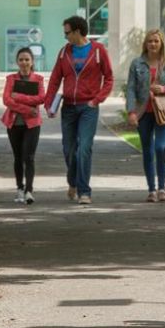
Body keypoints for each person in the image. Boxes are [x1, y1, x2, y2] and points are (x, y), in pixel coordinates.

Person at [44, 16, 113, 205]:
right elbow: (55, 79)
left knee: (84, 148)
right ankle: (72, 182)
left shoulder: (98, 51)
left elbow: (108, 79)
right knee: (68, 149)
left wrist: (97, 100)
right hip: (68, 108)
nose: (65, 36)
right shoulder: (64, 52)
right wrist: (49, 103)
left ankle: (84, 191)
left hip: (88, 108)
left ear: (77, 32)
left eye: (67, 33)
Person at [126, 29, 165, 202]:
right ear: (145, 44)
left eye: (156, 41)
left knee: (160, 147)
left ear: (161, 43)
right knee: (148, 151)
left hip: (164, 112)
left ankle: (162, 188)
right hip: (143, 112)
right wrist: (131, 111)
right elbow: (130, 89)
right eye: (150, 41)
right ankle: (151, 190)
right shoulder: (137, 64)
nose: (153, 44)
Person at [1, 47, 45, 205]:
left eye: (27, 59)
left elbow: (41, 98)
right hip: (14, 124)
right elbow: (7, 100)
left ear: (32, 61)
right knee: (18, 157)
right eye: (21, 59)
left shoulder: (38, 79)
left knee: (29, 157)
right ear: (17, 62)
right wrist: (28, 108)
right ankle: (20, 188)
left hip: (32, 125)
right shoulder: (11, 79)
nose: (24, 62)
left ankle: (29, 191)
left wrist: (18, 97)